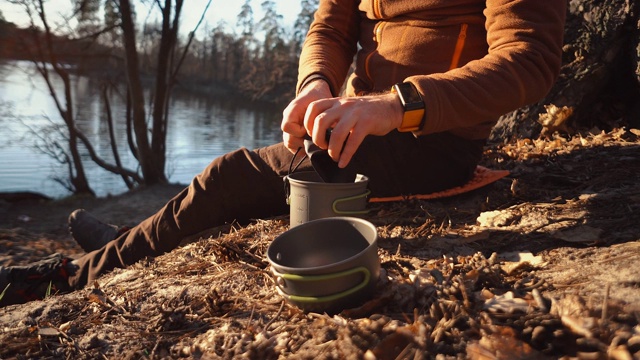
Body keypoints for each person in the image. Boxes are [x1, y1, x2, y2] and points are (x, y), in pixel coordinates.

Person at [0, 0, 566, 307]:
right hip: (356, 123)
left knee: (231, 175)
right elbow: (330, 25)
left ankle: (73, 276)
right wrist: (315, 84)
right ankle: (127, 247)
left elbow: (529, 59)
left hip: (431, 139)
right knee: (240, 184)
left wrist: (396, 105)